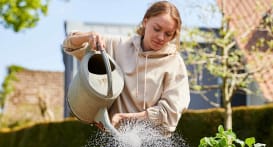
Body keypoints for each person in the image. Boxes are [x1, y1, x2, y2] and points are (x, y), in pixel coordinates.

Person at [62, 1, 190, 137]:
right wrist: (89, 36)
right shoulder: (117, 46)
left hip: (155, 143)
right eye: (157, 29)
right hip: (114, 138)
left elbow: (170, 112)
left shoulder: (174, 62)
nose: (161, 37)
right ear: (145, 22)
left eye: (168, 34)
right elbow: (69, 45)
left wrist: (125, 118)